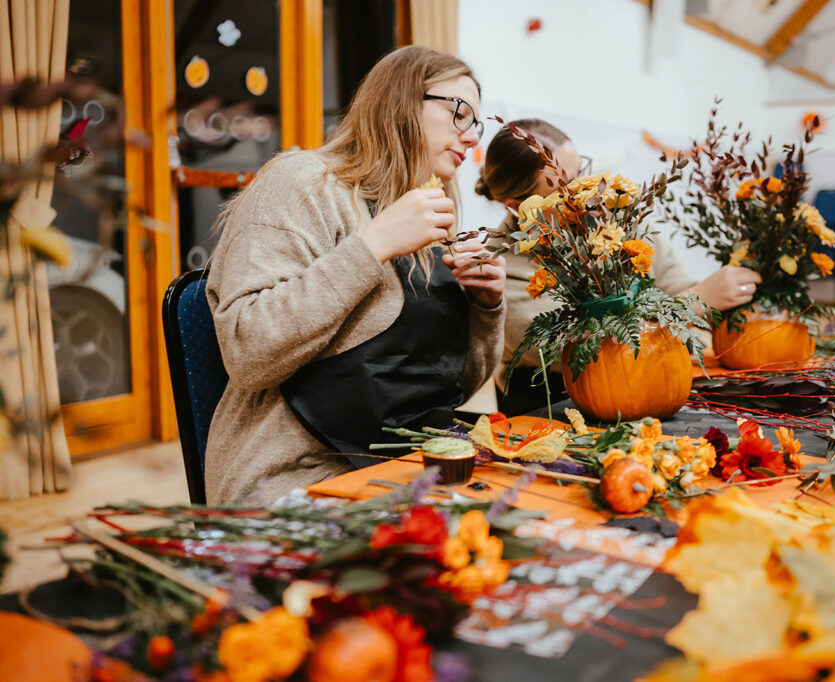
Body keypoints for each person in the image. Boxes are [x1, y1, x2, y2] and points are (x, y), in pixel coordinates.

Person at [204, 47, 506, 504]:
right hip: (299, 472)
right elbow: (248, 350)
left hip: (407, 462)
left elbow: (451, 384)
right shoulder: (301, 183)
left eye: (476, 124)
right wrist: (373, 246)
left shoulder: (427, 216)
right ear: (401, 101)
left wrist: (487, 307)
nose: (470, 138)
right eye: (459, 113)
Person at [475, 118, 759, 415]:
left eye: (579, 173)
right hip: (551, 409)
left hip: (646, 384)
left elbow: (675, 284)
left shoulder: (615, 219)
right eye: (561, 187)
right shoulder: (499, 269)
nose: (583, 192)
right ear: (518, 206)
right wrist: (694, 304)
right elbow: (586, 347)